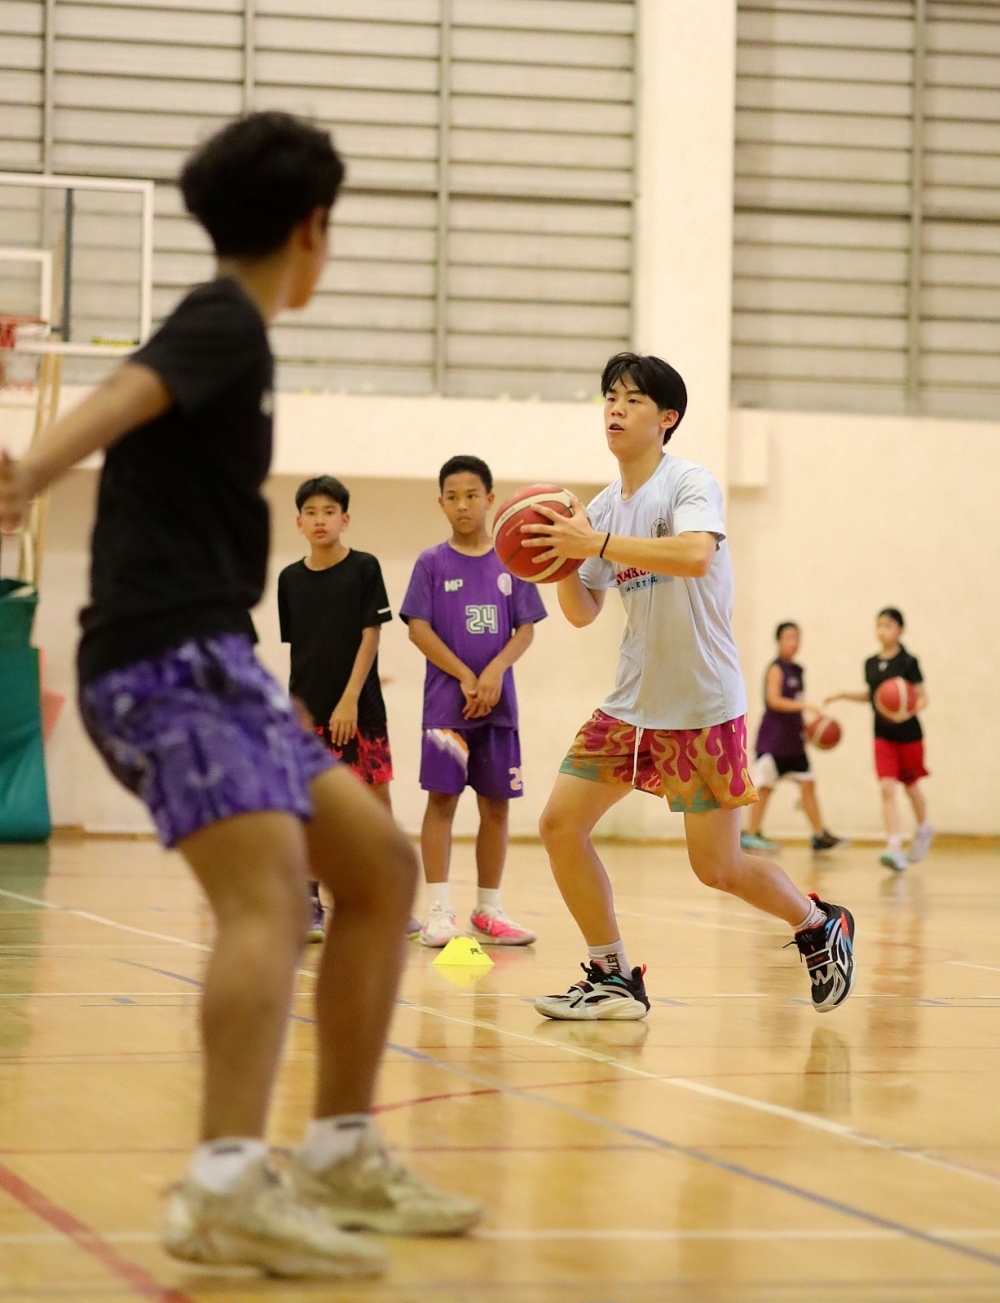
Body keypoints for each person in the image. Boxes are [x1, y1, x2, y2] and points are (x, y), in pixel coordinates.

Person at [0, 112, 480, 1278]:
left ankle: (340, 1153)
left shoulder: (231, 334)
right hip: (159, 662)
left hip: (214, 660)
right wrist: (24, 476)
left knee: (379, 869)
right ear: (314, 227)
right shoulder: (221, 319)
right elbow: (122, 397)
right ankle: (222, 1188)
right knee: (266, 893)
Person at [521, 352, 856, 1021]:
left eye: (632, 399)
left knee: (718, 868)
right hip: (630, 705)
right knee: (559, 826)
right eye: (609, 397)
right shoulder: (602, 507)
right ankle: (612, 975)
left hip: (702, 705)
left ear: (666, 418)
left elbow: (696, 554)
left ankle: (818, 923)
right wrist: (557, 559)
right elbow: (582, 611)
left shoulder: (687, 483)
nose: (615, 408)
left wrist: (596, 544)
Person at [400, 455, 547, 948]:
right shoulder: (430, 563)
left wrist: (495, 672)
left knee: (497, 806)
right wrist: (466, 676)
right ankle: (438, 911)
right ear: (441, 503)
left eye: (471, 495)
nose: (462, 505)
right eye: (452, 497)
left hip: (498, 709)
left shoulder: (512, 561)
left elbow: (525, 628)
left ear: (489, 499)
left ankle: (488, 911)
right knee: (442, 801)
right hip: (447, 708)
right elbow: (418, 628)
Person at [278, 474, 419, 940]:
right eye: (311, 513)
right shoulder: (289, 579)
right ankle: (309, 901)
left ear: (345, 519)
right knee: (311, 806)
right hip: (309, 712)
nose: (320, 520)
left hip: (361, 710)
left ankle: (388, 899)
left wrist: (350, 700)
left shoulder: (364, 568)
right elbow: (302, 649)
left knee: (376, 802)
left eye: (329, 512)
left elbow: (370, 635)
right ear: (299, 522)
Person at [826, 607, 932, 872]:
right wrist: (843, 695)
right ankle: (894, 846)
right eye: (879, 626)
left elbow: (922, 698)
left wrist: (907, 711)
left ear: (900, 630)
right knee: (886, 788)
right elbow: (875, 697)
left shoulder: (908, 662)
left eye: (888, 626)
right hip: (882, 735)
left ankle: (923, 828)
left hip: (909, 735)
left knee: (911, 787)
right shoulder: (871, 663)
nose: (882, 631)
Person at [742, 621, 846, 854]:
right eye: (789, 637)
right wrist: (805, 706)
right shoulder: (776, 669)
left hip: (794, 742)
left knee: (808, 784)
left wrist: (809, 730)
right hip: (773, 741)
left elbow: (793, 707)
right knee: (765, 787)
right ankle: (751, 834)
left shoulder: (797, 670)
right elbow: (774, 701)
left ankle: (820, 835)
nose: (794, 642)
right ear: (778, 641)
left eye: (797, 637)